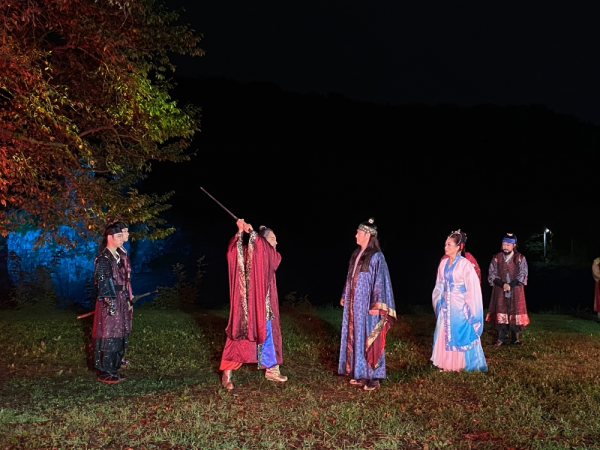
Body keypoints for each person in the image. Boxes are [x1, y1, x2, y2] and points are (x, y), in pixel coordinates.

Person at [220, 218, 287, 390]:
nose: (276, 242)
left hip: (266, 307)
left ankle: (272, 370)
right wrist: (240, 232)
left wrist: (253, 234)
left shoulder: (269, 255)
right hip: (246, 308)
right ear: (263, 240)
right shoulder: (247, 251)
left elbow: (272, 257)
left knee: (269, 335)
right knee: (239, 339)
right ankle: (227, 373)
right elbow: (232, 254)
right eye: (273, 239)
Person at [339, 218, 396, 391]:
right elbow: (350, 277)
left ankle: (374, 377)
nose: (355, 235)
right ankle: (361, 373)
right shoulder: (356, 254)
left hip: (368, 306)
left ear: (367, 235)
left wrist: (376, 305)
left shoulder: (377, 256)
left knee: (370, 337)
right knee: (357, 337)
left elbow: (380, 281)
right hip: (354, 304)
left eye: (358, 232)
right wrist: (345, 295)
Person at [432, 230, 487, 372]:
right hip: (446, 305)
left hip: (460, 306)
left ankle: (461, 364)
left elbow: (472, 288)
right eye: (445, 244)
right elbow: (439, 284)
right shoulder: (443, 263)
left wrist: (468, 307)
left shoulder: (465, 264)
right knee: (444, 331)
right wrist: (439, 300)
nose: (446, 247)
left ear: (458, 247)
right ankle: (446, 363)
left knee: (460, 332)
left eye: (449, 245)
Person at [92, 224, 131, 384]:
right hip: (110, 300)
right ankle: (105, 371)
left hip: (120, 298)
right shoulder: (104, 259)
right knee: (108, 333)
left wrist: (127, 299)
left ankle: (113, 368)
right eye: (119, 236)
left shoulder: (118, 256)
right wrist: (110, 302)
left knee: (119, 332)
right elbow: (104, 282)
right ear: (110, 237)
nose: (122, 239)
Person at [486, 233, 529, 346]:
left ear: (513, 245)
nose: (505, 247)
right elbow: (492, 273)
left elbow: (523, 273)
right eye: (504, 244)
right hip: (500, 289)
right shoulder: (496, 257)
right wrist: (502, 284)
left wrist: (511, 284)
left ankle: (515, 339)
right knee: (501, 309)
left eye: (508, 245)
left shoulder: (520, 258)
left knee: (515, 311)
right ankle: (500, 338)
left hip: (516, 289)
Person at [111, 222, 133, 368]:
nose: (127, 234)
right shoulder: (115, 252)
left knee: (126, 323)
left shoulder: (123, 250)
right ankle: (114, 359)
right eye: (124, 231)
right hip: (118, 291)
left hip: (126, 288)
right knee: (117, 324)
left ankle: (120, 357)